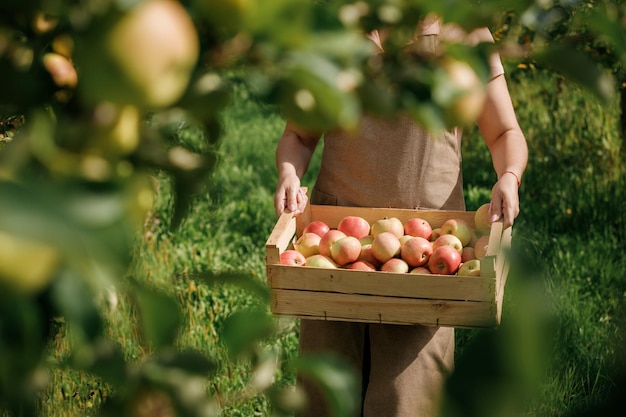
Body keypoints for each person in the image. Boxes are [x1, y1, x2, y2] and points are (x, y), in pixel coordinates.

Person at [273, 15, 528, 417]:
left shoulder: (466, 35)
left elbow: (504, 133)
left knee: (409, 398)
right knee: (325, 395)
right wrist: (290, 172)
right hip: (333, 245)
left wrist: (509, 177)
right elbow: (299, 135)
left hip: (429, 254)